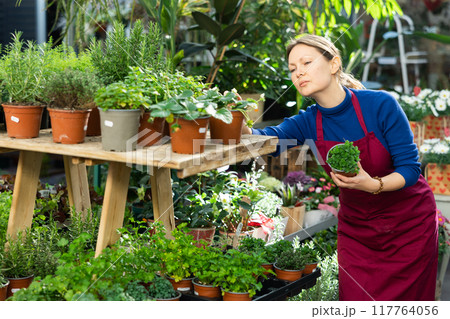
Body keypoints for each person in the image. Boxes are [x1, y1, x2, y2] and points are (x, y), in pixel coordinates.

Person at [244, 34, 438, 301]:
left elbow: (410, 169)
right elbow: (266, 140)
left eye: (307, 62)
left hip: (408, 227)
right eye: (292, 69)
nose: (298, 72)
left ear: (334, 63)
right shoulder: (307, 122)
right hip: (359, 231)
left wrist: (373, 185)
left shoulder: (381, 105)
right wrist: (229, 121)